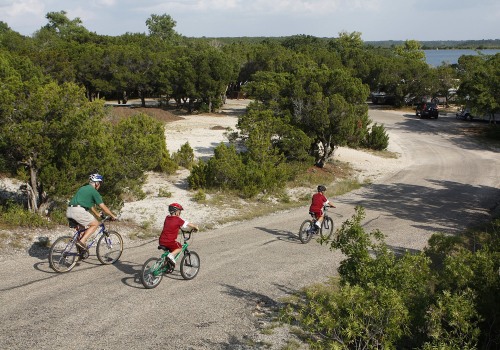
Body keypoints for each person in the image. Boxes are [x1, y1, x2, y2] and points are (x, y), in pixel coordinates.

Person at [66, 173, 117, 250]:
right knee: (95, 224)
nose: (100, 185)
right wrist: (113, 215)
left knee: (82, 231)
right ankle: (81, 242)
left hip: (69, 210)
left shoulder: (83, 188)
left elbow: (90, 206)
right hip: (78, 211)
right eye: (99, 183)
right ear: (96, 183)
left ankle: (79, 254)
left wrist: (97, 214)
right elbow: (103, 207)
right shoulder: (94, 192)